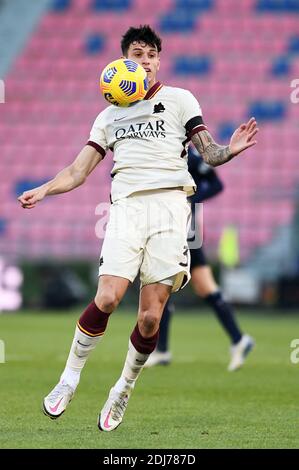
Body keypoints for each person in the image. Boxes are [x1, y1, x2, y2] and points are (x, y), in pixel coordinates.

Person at [18, 25, 258, 432]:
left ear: (158, 61)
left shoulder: (180, 100)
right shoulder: (109, 115)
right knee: (108, 297)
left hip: (170, 209)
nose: (144, 61)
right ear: (123, 61)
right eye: (136, 54)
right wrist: (43, 190)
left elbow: (210, 153)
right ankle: (69, 378)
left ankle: (123, 388)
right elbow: (78, 171)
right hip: (126, 209)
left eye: (150, 55)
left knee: (150, 319)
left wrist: (229, 151)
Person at [144, 146, 254, 371]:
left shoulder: (190, 157)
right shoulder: (164, 151)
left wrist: (192, 199)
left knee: (164, 280)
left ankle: (163, 350)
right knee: (202, 286)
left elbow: (217, 184)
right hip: (174, 225)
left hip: (184, 227)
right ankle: (237, 340)